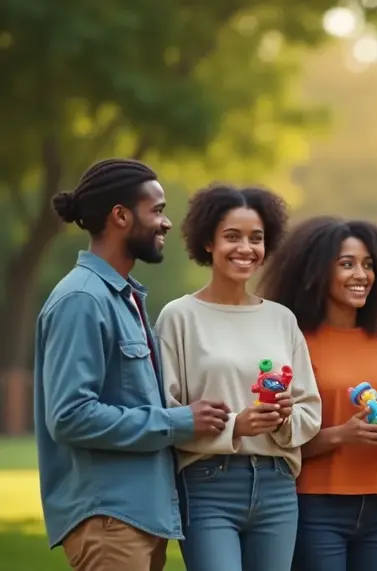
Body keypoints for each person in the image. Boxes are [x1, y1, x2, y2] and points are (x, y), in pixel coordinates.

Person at [34, 158, 232, 571]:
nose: (166, 223)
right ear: (121, 216)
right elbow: (71, 416)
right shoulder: (82, 300)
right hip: (110, 520)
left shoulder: (121, 297)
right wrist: (178, 421)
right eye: (156, 210)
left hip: (136, 518)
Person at [154, 184, 323, 571]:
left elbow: (309, 409)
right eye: (232, 236)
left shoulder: (282, 319)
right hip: (207, 483)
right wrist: (236, 426)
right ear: (208, 242)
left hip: (278, 485)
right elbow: (165, 413)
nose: (245, 248)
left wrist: (283, 420)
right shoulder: (179, 317)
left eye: (256, 238)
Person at [257, 216, 377, 571]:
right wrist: (343, 434)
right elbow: (276, 443)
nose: (361, 274)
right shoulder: (294, 342)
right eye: (347, 264)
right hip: (315, 505)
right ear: (316, 272)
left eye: (368, 265)